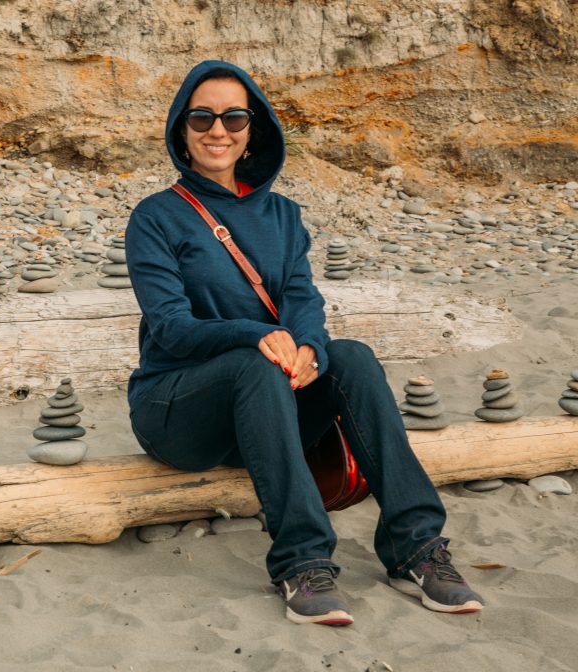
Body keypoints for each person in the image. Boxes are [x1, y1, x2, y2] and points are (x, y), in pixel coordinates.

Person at [124, 60, 485, 626]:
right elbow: (170, 326)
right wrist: (259, 334)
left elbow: (302, 301)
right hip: (177, 410)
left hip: (266, 407)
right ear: (181, 129)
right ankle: (303, 560)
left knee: (353, 358)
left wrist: (311, 348)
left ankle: (417, 547)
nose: (218, 129)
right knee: (252, 364)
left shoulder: (284, 216)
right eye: (202, 117)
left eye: (233, 116)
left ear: (254, 128)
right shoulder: (155, 217)